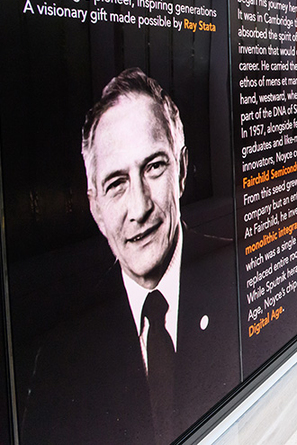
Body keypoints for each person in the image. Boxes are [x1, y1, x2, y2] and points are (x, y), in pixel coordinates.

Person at [21, 68, 240, 445]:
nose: (138, 207)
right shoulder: (60, 361)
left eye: (154, 167)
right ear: (96, 210)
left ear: (182, 170)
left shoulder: (239, 274)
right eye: (116, 184)